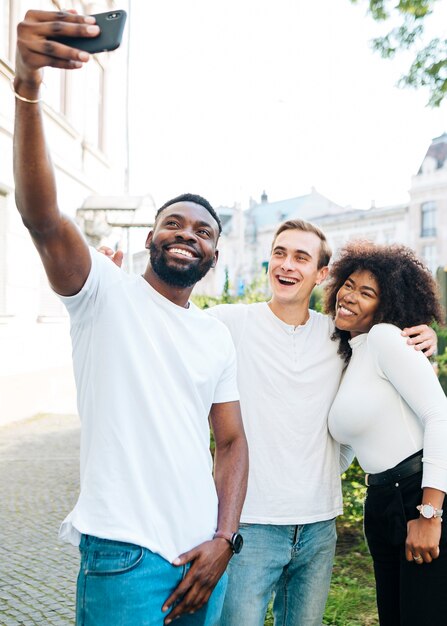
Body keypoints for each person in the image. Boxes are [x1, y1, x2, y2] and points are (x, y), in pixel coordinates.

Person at [13, 10, 248, 626]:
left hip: (206, 556)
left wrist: (225, 540)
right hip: (124, 558)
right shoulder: (103, 293)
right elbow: (42, 217)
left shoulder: (213, 334)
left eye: (203, 230)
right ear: (151, 236)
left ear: (214, 254)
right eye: (173, 221)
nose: (186, 234)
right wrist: (29, 89)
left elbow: (231, 442)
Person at [103, 219, 437, 625]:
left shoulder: (340, 338)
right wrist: (120, 288)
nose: (287, 264)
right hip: (251, 527)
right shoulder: (229, 323)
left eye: (301, 257)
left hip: (318, 529)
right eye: (279, 253)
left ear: (321, 274)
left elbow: (366, 413)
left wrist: (422, 342)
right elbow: (167, 319)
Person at [325, 241, 447, 626]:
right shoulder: (352, 355)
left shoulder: (383, 338)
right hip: (381, 502)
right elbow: (346, 449)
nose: (349, 296)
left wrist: (429, 513)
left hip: (419, 496)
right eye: (349, 284)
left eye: (367, 292)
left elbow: (439, 415)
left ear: (387, 303)